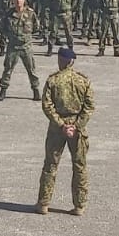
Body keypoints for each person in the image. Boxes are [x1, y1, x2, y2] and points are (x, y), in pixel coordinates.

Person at [37, 47, 94, 216]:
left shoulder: (53, 80)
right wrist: (76, 125)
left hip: (57, 129)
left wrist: (62, 125)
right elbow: (89, 106)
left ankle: (44, 203)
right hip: (77, 128)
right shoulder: (83, 81)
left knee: (50, 165)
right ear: (72, 61)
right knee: (80, 166)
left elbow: (47, 105)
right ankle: (79, 205)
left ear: (60, 60)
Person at [0, 0, 42, 102]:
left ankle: (36, 90)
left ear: (24, 0)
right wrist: (10, 37)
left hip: (26, 46)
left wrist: (26, 37)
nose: (18, 1)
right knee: (8, 69)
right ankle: (3, 90)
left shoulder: (30, 13)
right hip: (13, 46)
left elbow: (36, 27)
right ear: (13, 1)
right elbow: (2, 27)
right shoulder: (9, 14)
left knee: (31, 70)